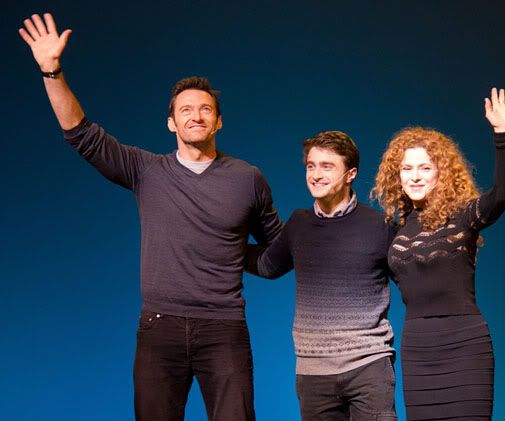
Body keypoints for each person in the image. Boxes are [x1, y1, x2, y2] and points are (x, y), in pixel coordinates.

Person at [19, 13, 282, 421]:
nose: (196, 115)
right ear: (171, 122)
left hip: (224, 327)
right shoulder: (147, 170)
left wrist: (230, 254)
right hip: (160, 326)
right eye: (186, 110)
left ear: (218, 121)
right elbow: (82, 136)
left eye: (206, 109)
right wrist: (51, 72)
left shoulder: (248, 178)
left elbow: (276, 254)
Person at [372, 87, 505, 420]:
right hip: (418, 351)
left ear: (441, 173)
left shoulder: (463, 217)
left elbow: (503, 194)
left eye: (425, 168)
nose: (415, 176)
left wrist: (503, 136)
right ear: (397, 175)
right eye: (407, 169)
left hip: (465, 346)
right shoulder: (396, 230)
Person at [247, 131, 398, 421]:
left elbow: (410, 280)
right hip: (313, 372)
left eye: (327, 166)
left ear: (351, 174)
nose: (315, 175)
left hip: (369, 365)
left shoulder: (379, 226)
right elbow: (268, 265)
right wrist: (221, 243)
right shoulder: (299, 224)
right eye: (311, 166)